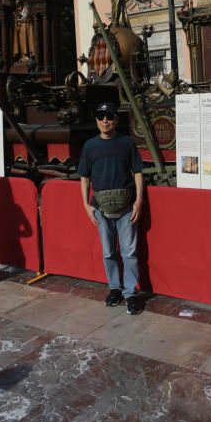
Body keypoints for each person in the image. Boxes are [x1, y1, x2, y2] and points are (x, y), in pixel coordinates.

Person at [78, 102, 145, 315]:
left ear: (116, 119)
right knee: (108, 252)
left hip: (126, 208)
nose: (105, 120)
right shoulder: (90, 146)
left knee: (129, 252)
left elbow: (137, 172)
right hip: (100, 208)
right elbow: (84, 177)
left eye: (109, 116)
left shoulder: (127, 143)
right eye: (101, 116)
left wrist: (139, 201)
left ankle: (131, 293)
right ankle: (115, 288)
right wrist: (86, 205)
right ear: (96, 120)